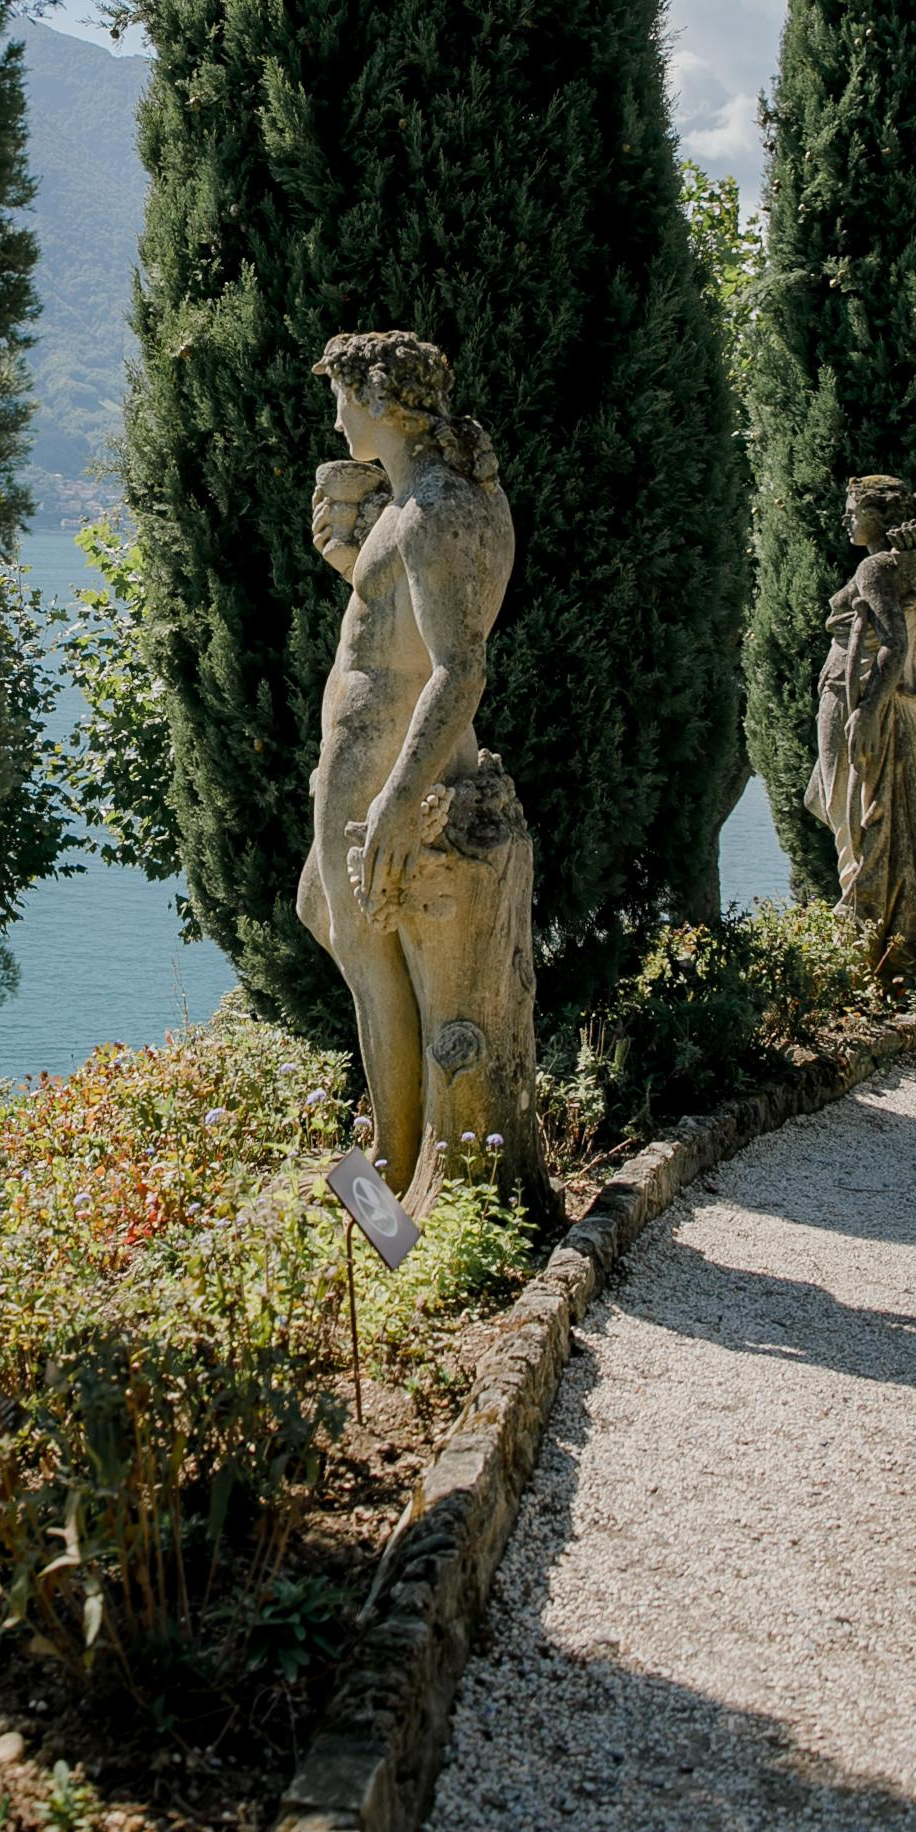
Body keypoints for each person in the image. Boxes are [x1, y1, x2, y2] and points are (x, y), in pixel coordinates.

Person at [297, 330, 541, 1211]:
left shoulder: (435, 509)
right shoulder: (426, 500)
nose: (336, 419)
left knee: (371, 956)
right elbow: (401, 624)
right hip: (369, 750)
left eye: (342, 399)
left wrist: (399, 800)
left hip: (380, 757)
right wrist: (350, 566)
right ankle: (396, 1158)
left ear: (378, 399)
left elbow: (459, 667)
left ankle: (390, 1182)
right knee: (326, 913)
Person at [806, 475, 916, 965]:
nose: (845, 520)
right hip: (873, 697)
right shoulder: (915, 569)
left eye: (853, 512)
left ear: (879, 518)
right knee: (850, 801)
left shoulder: (876, 567)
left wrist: (867, 710)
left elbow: (895, 644)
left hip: (853, 694)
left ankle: (861, 919)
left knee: (845, 805)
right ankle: (887, 922)